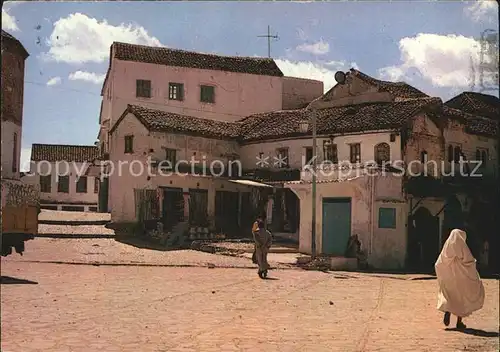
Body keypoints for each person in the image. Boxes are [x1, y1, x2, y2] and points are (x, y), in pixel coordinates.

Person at [435, 228, 485, 329]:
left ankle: (448, 311)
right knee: (462, 297)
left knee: (449, 295)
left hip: (449, 278)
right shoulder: (462, 248)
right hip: (461, 278)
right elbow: (469, 261)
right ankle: (459, 322)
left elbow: (438, 264)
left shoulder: (446, 250)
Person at [252, 213, 272, 279]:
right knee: (264, 259)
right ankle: (264, 269)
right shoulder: (268, 233)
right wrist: (267, 246)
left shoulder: (256, 233)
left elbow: (256, 239)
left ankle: (261, 270)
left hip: (259, 248)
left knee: (259, 259)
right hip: (265, 248)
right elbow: (270, 240)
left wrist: (259, 245)